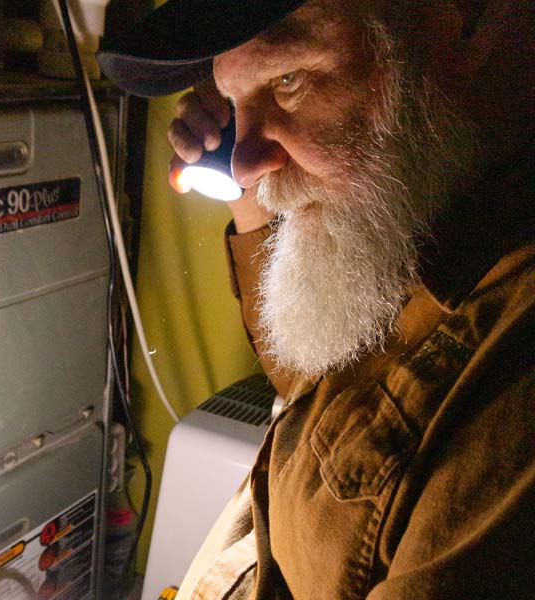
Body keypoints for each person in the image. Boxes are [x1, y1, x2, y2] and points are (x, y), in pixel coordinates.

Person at [98, 0, 535, 598]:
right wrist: (244, 197)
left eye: (288, 79)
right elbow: (318, 385)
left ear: (468, 21)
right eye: (233, 101)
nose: (247, 164)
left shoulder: (512, 384)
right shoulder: (422, 202)